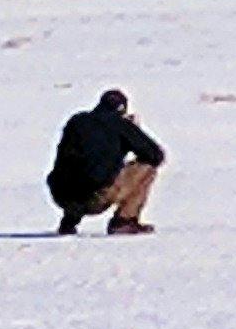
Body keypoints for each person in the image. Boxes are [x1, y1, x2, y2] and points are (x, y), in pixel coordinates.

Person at [48, 89, 165, 235]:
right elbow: (155, 155)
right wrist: (133, 131)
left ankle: (69, 220)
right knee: (148, 168)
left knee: (80, 167)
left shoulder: (77, 120)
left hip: (60, 195)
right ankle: (124, 220)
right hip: (95, 199)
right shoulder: (121, 124)